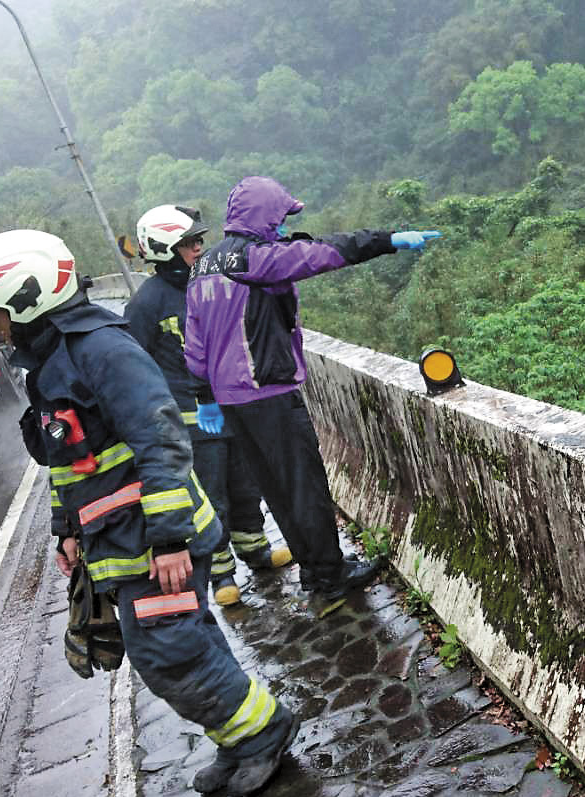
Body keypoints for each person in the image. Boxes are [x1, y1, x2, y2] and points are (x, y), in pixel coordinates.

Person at [0, 228, 297, 797]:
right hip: (121, 539)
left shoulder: (102, 350)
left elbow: (160, 439)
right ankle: (239, 739)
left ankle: (263, 731)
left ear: (25, 298)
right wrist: (66, 528)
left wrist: (167, 538)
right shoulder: (51, 365)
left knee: (166, 648)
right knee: (188, 637)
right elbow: (68, 461)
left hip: (155, 536)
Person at [184, 176, 440, 615]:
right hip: (268, 393)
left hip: (232, 403)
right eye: (281, 219)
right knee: (305, 486)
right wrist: (389, 240)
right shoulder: (257, 260)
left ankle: (314, 569)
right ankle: (330, 578)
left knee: (277, 490)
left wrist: (205, 393)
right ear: (264, 217)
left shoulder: (202, 266)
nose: (284, 228)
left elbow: (195, 344)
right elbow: (325, 252)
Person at [125, 203, 290, 607]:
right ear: (165, 251)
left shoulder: (212, 281)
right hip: (191, 423)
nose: (199, 248)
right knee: (210, 496)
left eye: (200, 240)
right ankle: (222, 574)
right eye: (189, 243)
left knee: (246, 483)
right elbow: (136, 367)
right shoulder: (146, 305)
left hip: (233, 405)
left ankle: (256, 550)